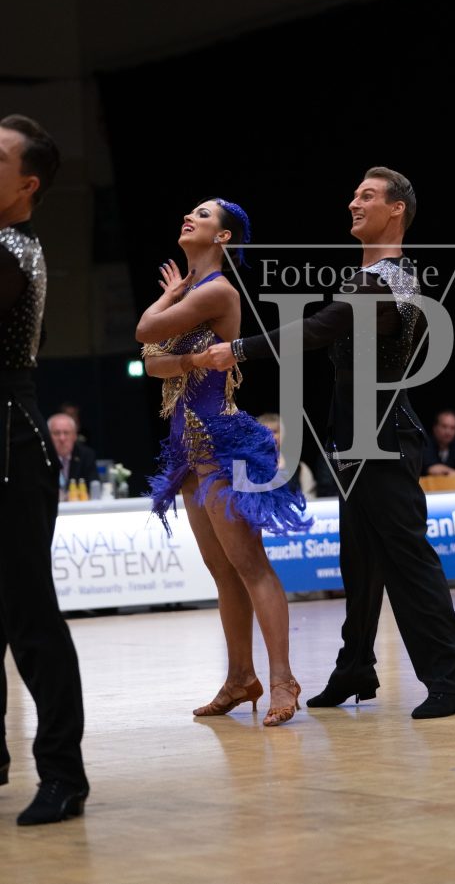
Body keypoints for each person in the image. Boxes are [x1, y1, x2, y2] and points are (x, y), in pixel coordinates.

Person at [194, 167, 455, 719]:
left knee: (407, 559)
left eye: (367, 196)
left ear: (397, 209)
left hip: (383, 436)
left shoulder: (388, 278)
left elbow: (319, 329)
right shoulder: (375, 276)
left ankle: (448, 680)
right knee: (359, 560)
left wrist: (238, 350)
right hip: (357, 434)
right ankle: (354, 668)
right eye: (353, 195)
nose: (353, 203)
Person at [135, 197, 312, 727]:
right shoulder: (191, 293)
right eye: (190, 211)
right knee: (222, 571)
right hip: (187, 450)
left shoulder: (217, 291)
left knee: (250, 564)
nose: (189, 216)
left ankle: (282, 680)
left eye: (204, 215)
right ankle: (240, 679)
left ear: (224, 237)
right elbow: (151, 366)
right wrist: (186, 349)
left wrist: (167, 309)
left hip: (221, 443)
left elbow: (146, 334)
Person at [0, 113, 90, 825]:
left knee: (31, 616)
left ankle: (63, 773)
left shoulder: (12, 251)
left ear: (26, 184)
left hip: (11, 443)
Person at [257, 412, 317, 501]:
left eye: (275, 431)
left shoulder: (300, 468)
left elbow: (310, 498)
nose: (270, 436)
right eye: (265, 432)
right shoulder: (248, 466)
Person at [47, 412, 100, 498]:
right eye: (56, 433)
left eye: (66, 433)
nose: (62, 438)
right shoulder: (42, 457)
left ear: (74, 436)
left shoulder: (86, 455)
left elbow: (93, 485)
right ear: (48, 436)